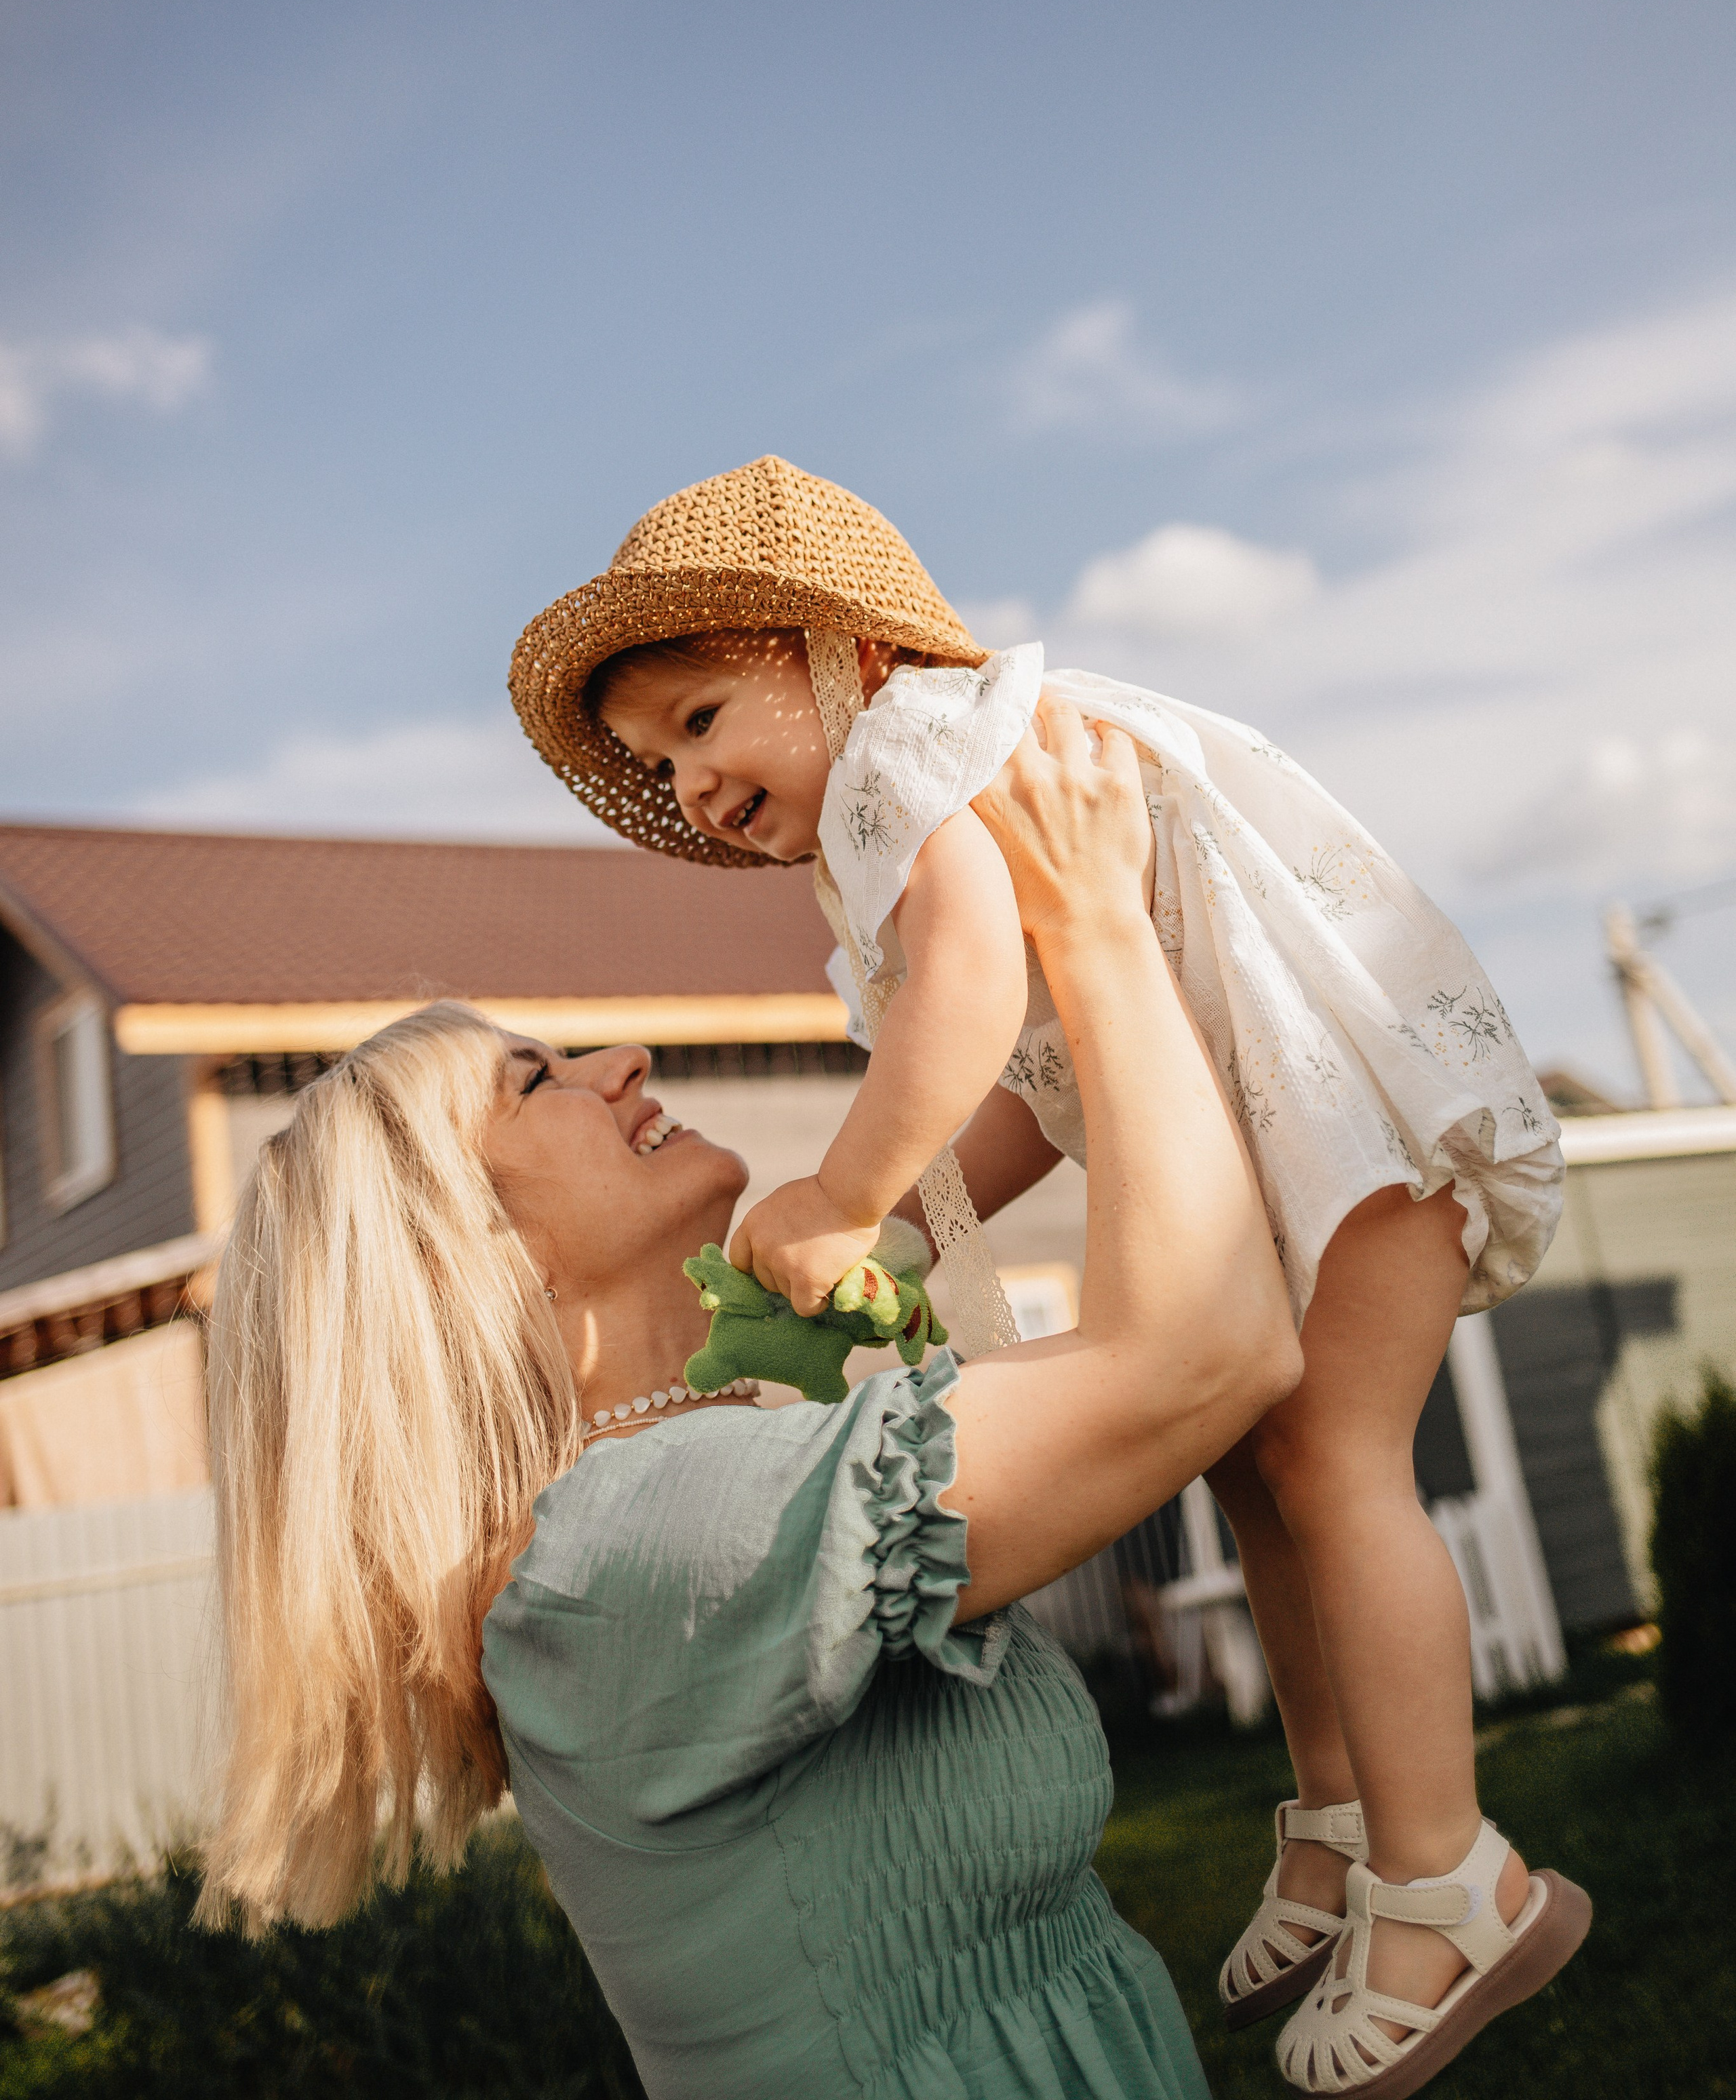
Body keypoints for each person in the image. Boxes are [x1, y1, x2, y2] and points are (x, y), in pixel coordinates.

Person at [508, 453, 1590, 2095]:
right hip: (1286, 1130)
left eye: (705, 718)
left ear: (839, 653)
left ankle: (1452, 1880)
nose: (693, 781)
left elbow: (959, 998)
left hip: (1340, 1118)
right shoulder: (907, 798)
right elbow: (1021, 1093)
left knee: (1336, 1462)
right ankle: (1336, 1814)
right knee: (1249, 1458)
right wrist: (898, 1222)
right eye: (663, 758)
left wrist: (844, 1182)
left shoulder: (904, 764)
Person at [198, 696, 1300, 2099]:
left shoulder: (694, 1477)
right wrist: (1091, 925)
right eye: (538, 1080)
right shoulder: (624, 1556)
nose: (622, 1065)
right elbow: (1203, 1354)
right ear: (464, 1253)